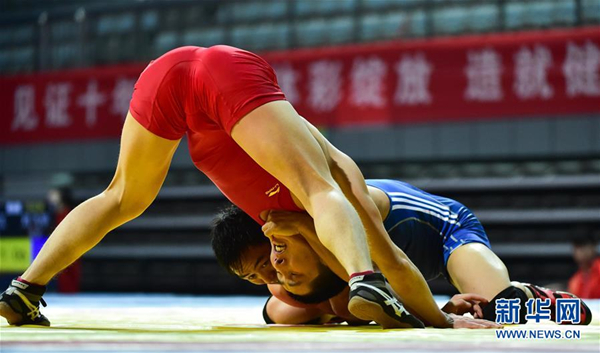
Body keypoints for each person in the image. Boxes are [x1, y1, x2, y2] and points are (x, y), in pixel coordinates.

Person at [1, 45, 439, 329]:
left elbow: (310, 300)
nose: (279, 270)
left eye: (275, 275)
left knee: (122, 197)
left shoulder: (270, 226)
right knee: (319, 188)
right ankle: (367, 279)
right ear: (329, 258)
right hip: (226, 75)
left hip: (171, 81)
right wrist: (440, 321)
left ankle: (25, 288)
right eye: (294, 273)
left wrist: (325, 293)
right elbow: (394, 262)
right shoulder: (343, 190)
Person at [211, 179, 592, 326]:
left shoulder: (334, 214)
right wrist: (438, 311)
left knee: (500, 306)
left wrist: (434, 315)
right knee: (286, 314)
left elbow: (388, 271)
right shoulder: (283, 287)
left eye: (272, 257)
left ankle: (539, 298)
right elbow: (370, 301)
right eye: (253, 277)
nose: (273, 275)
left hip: (445, 234)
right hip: (393, 267)